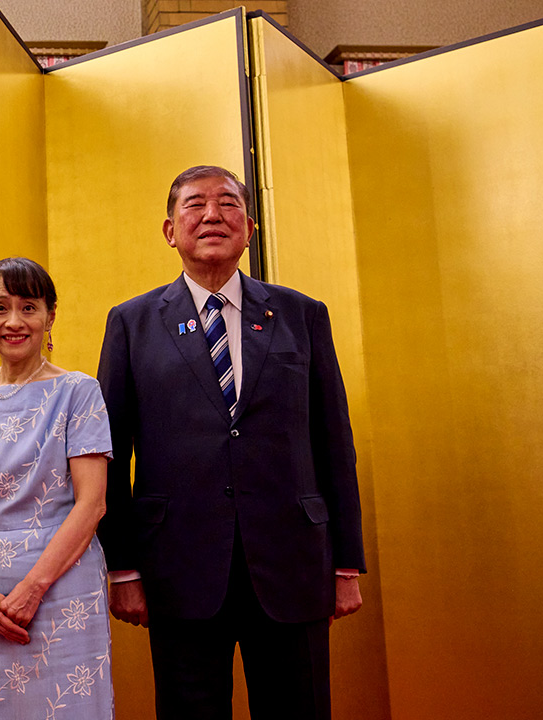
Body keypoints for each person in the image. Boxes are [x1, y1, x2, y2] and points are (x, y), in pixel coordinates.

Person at [97, 165, 366, 719]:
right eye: (195, 205)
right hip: (178, 567)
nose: (212, 215)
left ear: (250, 226)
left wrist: (346, 564)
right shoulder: (132, 322)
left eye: (227, 204)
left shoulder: (302, 315)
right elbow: (111, 453)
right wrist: (122, 568)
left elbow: (334, 442)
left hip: (293, 565)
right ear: (170, 230)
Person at [0, 257, 114, 719]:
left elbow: (92, 503)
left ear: (50, 316)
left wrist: (34, 588)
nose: (14, 321)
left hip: (63, 586)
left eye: (28, 307)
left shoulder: (79, 391)